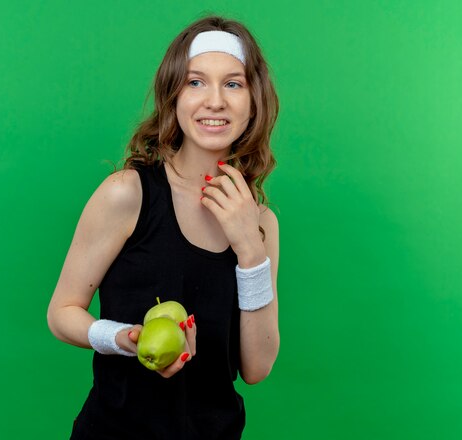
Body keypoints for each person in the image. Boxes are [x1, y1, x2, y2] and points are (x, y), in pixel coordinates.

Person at [47, 15, 280, 440]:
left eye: (233, 83)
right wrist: (125, 338)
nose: (215, 101)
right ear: (173, 96)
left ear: (254, 101)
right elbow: (61, 314)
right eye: (195, 82)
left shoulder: (261, 222)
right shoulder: (127, 194)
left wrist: (250, 249)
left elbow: (257, 367)